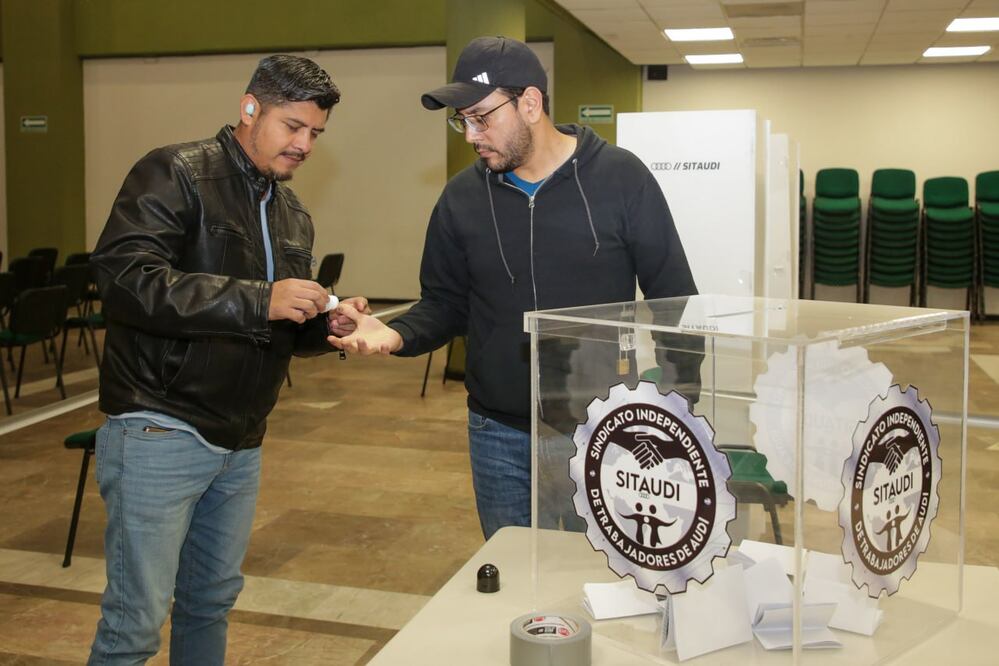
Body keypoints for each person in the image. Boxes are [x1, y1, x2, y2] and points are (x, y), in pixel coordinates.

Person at [329, 36, 698, 540]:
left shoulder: (621, 179)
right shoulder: (460, 198)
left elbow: (674, 299)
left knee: (596, 585)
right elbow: (444, 303)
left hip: (602, 432)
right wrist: (397, 335)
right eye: (462, 119)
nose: (470, 135)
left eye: (481, 117)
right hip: (496, 433)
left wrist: (681, 410)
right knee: (513, 589)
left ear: (530, 103)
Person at [87, 55, 367, 665]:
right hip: (160, 425)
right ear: (249, 108)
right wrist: (261, 298)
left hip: (240, 441)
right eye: (292, 126)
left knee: (210, 603)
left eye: (315, 133)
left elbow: (278, 325)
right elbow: (126, 281)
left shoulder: (291, 212)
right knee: (135, 623)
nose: (305, 145)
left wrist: (326, 325)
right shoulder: (175, 172)